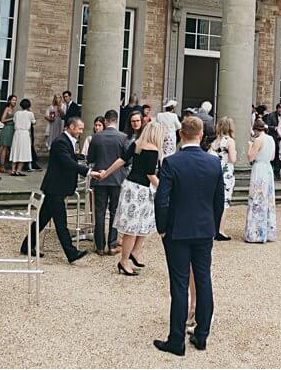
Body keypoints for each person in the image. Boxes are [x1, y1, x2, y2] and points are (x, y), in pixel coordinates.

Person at [153, 116, 224, 356]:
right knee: (204, 281)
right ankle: (202, 335)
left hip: (178, 231)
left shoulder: (172, 163)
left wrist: (161, 227)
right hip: (204, 230)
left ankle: (176, 341)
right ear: (201, 135)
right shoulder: (214, 163)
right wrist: (213, 227)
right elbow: (219, 202)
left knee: (180, 284)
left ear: (181, 134)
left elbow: (161, 199)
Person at [21, 116, 93, 262]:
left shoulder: (66, 141)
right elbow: (67, 162)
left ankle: (26, 245)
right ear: (71, 127)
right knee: (61, 223)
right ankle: (71, 253)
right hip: (55, 188)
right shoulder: (60, 142)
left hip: (55, 187)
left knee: (42, 220)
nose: (81, 131)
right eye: (79, 128)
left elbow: (69, 159)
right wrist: (88, 172)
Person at [99, 121, 164, 275]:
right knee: (133, 227)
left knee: (144, 223)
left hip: (130, 186)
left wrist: (105, 173)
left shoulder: (137, 144)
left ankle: (134, 253)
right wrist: (164, 189)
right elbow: (150, 174)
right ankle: (124, 261)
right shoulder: (153, 150)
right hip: (140, 190)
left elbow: (121, 160)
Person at [86, 109, 130, 256]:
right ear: (116, 121)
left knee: (99, 212)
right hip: (117, 179)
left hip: (100, 178)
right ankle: (112, 245)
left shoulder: (96, 137)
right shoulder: (123, 137)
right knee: (114, 212)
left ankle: (99, 246)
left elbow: (90, 158)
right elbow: (127, 160)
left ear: (105, 121)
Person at [243, 118, 278, 243]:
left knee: (257, 198)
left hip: (259, 168)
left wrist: (250, 146)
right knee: (267, 198)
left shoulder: (258, 140)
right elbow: (273, 156)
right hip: (268, 168)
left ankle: (255, 233)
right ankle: (268, 231)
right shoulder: (271, 139)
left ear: (256, 130)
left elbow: (250, 157)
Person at [211, 116, 237, 240]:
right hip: (226, 172)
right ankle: (220, 230)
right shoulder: (229, 141)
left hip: (215, 170)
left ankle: (212, 229)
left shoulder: (215, 141)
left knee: (214, 201)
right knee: (225, 201)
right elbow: (233, 159)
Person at [9, 99, 35, 176]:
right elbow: (34, 121)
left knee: (16, 151)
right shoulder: (30, 114)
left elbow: (14, 121)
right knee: (23, 152)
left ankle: (13, 170)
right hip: (24, 133)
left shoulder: (17, 113)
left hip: (17, 133)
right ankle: (18, 170)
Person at [263, 103, 281, 179]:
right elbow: (267, 126)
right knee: (273, 155)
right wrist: (274, 128)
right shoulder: (271, 115)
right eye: (279, 108)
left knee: (279, 156)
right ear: (277, 108)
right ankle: (272, 172)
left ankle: (277, 173)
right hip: (273, 137)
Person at [0, 95, 17, 167]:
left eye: (15, 100)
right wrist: (12, 119)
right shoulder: (7, 109)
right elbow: (2, 120)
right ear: (9, 101)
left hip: (13, 129)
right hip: (7, 129)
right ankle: (2, 165)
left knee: (10, 147)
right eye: (13, 100)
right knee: (4, 147)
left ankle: (8, 164)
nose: (15, 102)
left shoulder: (14, 110)